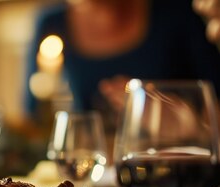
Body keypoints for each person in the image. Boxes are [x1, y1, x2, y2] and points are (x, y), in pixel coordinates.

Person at [25, 0, 220, 129]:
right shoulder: (51, 23)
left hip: (172, 164)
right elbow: (33, 114)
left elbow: (214, 101)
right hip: (91, 175)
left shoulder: (177, 12)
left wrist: (185, 124)